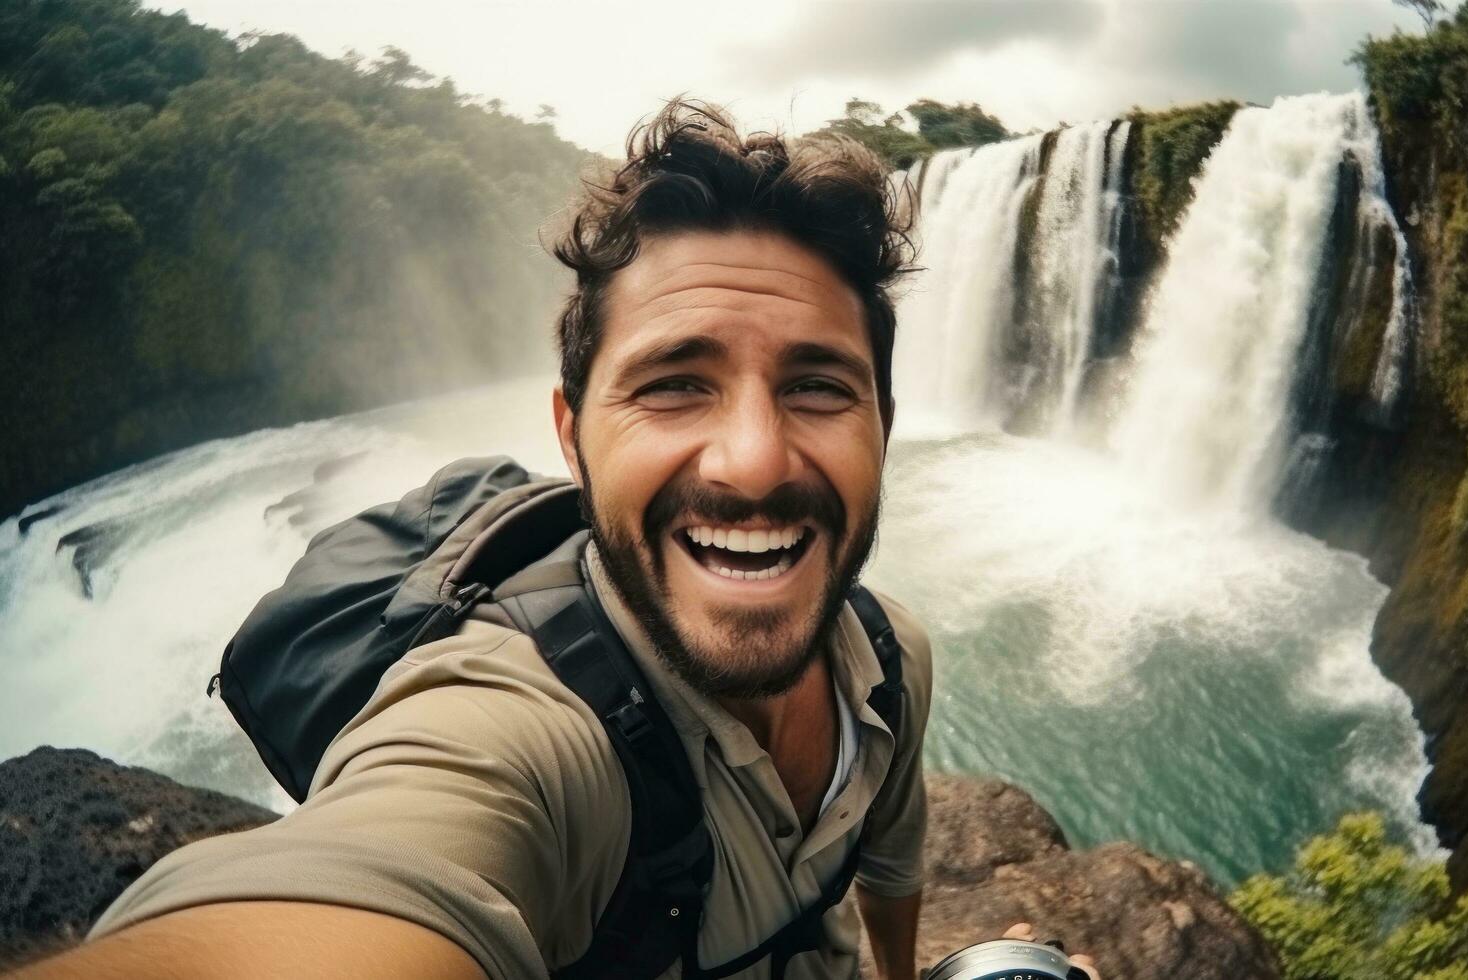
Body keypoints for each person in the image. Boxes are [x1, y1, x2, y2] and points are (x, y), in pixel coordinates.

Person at [11, 99, 1099, 980]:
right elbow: (369, 875)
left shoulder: (892, 659)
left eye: (819, 385)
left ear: (882, 427)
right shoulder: (522, 733)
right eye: (675, 385)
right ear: (573, 437)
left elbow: (892, 870)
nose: (755, 460)